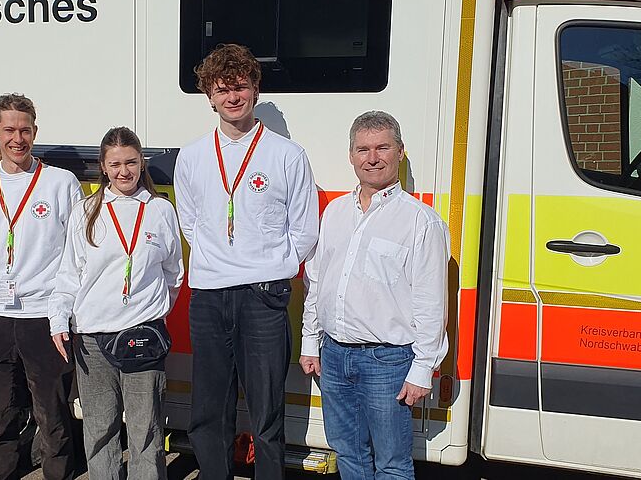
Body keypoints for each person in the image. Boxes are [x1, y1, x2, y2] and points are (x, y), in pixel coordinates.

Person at [173, 43, 319, 478]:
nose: (232, 97)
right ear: (209, 97)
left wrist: (269, 266)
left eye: (240, 86)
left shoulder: (287, 154)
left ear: (255, 89)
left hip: (263, 296)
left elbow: (304, 229)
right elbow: (190, 222)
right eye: (222, 89)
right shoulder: (192, 156)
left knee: (266, 410)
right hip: (209, 296)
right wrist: (221, 260)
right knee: (208, 408)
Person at [299, 110, 450, 479]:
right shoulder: (335, 213)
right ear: (351, 156)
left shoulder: (421, 221)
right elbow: (316, 281)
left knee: (392, 463)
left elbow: (432, 304)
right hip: (334, 355)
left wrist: (422, 369)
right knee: (348, 453)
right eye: (363, 149)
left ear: (400, 152)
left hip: (388, 361)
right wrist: (310, 341)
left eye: (382, 148)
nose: (372, 158)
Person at [49, 126, 183, 480]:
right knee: (99, 432)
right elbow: (69, 274)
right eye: (116, 164)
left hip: (142, 338)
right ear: (103, 167)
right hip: (92, 340)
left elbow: (174, 274)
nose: (124, 172)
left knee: (146, 432)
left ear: (142, 163)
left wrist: (150, 312)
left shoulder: (160, 210)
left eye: (131, 162)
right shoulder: (86, 211)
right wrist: (59, 321)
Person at [0, 93, 82, 480]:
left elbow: (74, 254)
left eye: (25, 130)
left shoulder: (60, 183)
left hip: (43, 316)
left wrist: (63, 313)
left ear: (35, 131)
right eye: (9, 130)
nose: (18, 139)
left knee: (52, 414)